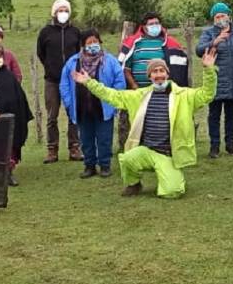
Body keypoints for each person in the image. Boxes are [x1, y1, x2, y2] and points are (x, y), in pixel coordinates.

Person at [71, 50, 217, 198]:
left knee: (172, 192)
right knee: (127, 158)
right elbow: (112, 95)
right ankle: (134, 184)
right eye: (154, 71)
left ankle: (172, 178)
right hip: (146, 151)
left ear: (167, 74)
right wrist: (89, 82)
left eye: (161, 71)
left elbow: (207, 94)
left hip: (168, 154)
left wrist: (209, 70)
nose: (159, 74)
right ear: (150, 76)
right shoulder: (139, 95)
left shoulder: (184, 95)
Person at [61, 29, 126, 179]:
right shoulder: (73, 62)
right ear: (83, 45)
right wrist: (69, 104)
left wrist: (114, 101)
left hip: (104, 107)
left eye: (95, 41)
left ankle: (105, 165)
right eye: (89, 42)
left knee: (104, 138)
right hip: (81, 107)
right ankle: (89, 166)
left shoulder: (110, 61)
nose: (93, 45)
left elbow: (119, 81)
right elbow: (64, 84)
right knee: (85, 138)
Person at [196, 2, 233, 158]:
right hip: (215, 80)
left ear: (229, 16)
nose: (221, 18)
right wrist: (215, 41)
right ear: (213, 19)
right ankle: (214, 147)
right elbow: (198, 50)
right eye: (217, 16)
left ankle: (230, 145)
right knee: (214, 115)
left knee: (231, 114)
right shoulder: (209, 33)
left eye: (223, 15)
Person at [36, 0, 83, 163]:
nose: (63, 13)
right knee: (52, 116)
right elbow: (41, 53)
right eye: (60, 10)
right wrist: (50, 67)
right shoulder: (45, 32)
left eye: (66, 10)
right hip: (52, 80)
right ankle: (52, 150)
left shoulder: (75, 32)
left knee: (73, 114)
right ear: (54, 13)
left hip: (71, 81)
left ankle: (75, 148)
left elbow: (79, 54)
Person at [0, 43, 33, 187]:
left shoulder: (10, 76)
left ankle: (8, 173)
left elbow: (19, 98)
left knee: (9, 147)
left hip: (8, 121)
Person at [119, 12, 190, 88]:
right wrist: (133, 85)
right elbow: (126, 69)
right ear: (144, 27)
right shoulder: (134, 43)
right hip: (138, 91)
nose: (155, 26)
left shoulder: (167, 42)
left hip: (162, 90)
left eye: (157, 23)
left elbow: (176, 67)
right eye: (151, 24)